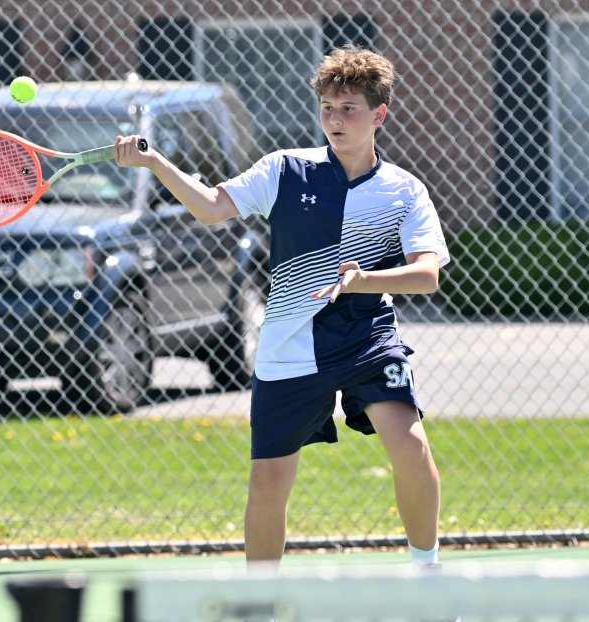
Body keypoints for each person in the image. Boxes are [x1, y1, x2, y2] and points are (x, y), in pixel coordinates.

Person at [113, 44, 449, 571]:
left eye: (349, 109)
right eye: (327, 108)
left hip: (367, 339)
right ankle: (261, 598)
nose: (334, 120)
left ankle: (427, 572)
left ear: (379, 114)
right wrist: (155, 161)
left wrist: (364, 281)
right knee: (267, 481)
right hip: (289, 346)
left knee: (410, 448)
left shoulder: (403, 191)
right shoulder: (285, 171)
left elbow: (427, 274)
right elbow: (211, 208)